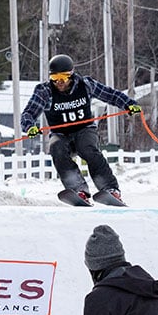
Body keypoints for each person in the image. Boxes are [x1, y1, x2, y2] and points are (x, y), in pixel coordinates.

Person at [19, 54, 141, 204]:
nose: (59, 82)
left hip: (84, 130)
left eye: (63, 78)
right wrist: (30, 126)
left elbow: (111, 95)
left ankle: (110, 189)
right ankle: (78, 190)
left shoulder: (85, 85)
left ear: (71, 75)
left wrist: (129, 104)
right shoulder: (45, 91)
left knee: (87, 148)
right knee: (56, 148)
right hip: (61, 134)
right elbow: (28, 113)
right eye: (55, 78)